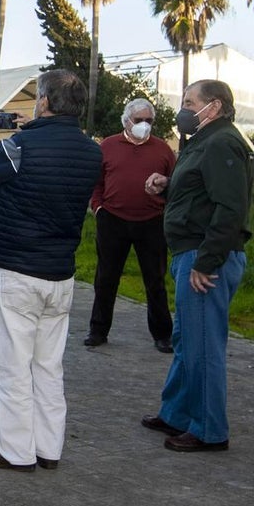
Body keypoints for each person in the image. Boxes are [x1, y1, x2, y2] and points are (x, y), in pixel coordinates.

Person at [0, 69, 101, 472]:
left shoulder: (23, 147)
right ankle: (49, 448)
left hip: (19, 272)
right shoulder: (92, 152)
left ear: (45, 103)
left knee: (11, 365)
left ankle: (16, 451)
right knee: (48, 366)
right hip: (61, 273)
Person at [141, 80, 251, 452]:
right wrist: (167, 185)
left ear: (214, 107)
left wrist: (206, 262)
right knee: (186, 340)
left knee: (203, 345)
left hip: (206, 257)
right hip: (190, 252)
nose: (183, 109)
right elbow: (201, 192)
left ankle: (208, 430)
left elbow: (230, 208)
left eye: (190, 102)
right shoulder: (203, 141)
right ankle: (176, 412)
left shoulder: (222, 142)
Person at [85, 98, 176, 352]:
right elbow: (97, 181)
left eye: (149, 121)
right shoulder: (108, 146)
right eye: (139, 121)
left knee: (155, 280)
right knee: (106, 277)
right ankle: (98, 330)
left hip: (152, 221)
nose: (144, 125)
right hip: (112, 219)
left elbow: (175, 182)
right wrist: (98, 206)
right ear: (127, 121)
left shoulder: (163, 149)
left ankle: (162, 335)